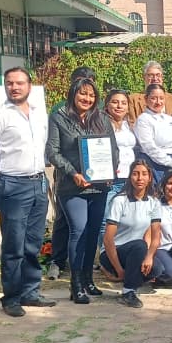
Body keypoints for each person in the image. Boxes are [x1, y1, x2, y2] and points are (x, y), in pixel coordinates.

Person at [46, 77, 117, 305]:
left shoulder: (102, 118)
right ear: (73, 94)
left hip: (99, 186)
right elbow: (52, 152)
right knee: (79, 230)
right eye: (82, 93)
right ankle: (75, 284)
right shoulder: (59, 117)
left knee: (93, 232)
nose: (87, 98)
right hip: (72, 186)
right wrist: (73, 173)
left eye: (91, 95)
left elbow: (112, 149)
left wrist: (109, 171)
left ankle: (88, 280)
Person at [0, 67, 53, 317]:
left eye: (19, 83)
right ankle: (11, 297)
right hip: (13, 184)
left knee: (33, 243)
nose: (14, 87)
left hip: (38, 182)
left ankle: (31, 292)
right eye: (9, 83)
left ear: (29, 85)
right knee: (14, 245)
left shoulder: (39, 113)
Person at [100, 157, 159, 308]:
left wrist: (149, 257)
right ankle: (128, 291)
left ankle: (128, 278)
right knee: (139, 245)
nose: (140, 178)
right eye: (135, 173)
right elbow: (107, 240)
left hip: (137, 253)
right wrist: (119, 269)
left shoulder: (153, 202)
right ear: (129, 177)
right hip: (114, 253)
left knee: (159, 269)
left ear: (150, 177)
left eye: (144, 174)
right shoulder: (119, 200)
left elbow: (155, 237)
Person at [134, 84, 172, 184]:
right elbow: (149, 148)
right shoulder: (143, 119)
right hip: (156, 164)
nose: (158, 102)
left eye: (161, 98)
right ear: (146, 99)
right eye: (153, 98)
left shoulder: (170, 119)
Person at [105, 89, 137, 190]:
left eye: (124, 103)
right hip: (113, 180)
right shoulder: (102, 125)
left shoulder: (130, 126)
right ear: (107, 105)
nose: (119, 106)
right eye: (115, 102)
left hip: (131, 178)